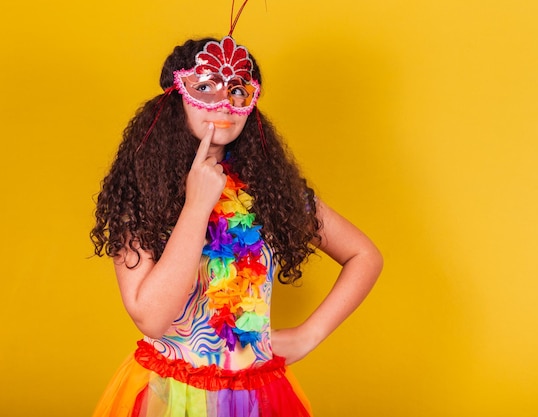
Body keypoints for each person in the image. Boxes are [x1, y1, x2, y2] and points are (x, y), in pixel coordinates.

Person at [90, 34, 382, 417]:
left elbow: (364, 255)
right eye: (206, 87)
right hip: (171, 398)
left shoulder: (271, 190)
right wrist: (197, 204)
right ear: (176, 98)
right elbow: (151, 317)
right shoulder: (141, 193)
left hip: (260, 395)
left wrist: (309, 335)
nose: (225, 103)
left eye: (238, 89)